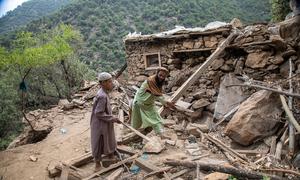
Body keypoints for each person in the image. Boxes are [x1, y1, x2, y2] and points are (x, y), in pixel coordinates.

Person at [131, 67, 175, 136]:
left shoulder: (159, 82)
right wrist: (166, 102)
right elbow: (157, 95)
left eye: (163, 76)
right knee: (137, 120)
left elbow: (158, 93)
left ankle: (160, 134)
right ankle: (134, 134)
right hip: (140, 102)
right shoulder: (151, 81)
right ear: (157, 73)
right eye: (160, 75)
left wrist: (165, 102)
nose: (161, 77)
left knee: (156, 118)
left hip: (149, 104)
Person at [90, 72, 120, 172]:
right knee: (98, 141)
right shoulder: (102, 96)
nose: (112, 83)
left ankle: (110, 154)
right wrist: (112, 118)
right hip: (99, 123)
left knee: (108, 137)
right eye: (110, 82)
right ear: (103, 83)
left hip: (104, 121)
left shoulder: (104, 92)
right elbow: (98, 113)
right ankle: (97, 164)